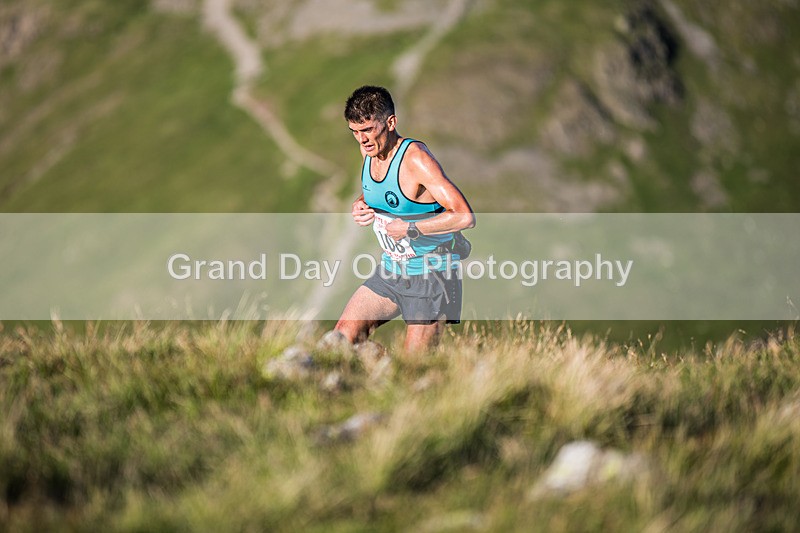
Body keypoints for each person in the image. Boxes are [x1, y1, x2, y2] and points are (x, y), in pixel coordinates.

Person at [333, 85, 475, 352]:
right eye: (354, 131)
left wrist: (411, 229)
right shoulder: (370, 150)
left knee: (414, 367)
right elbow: (379, 193)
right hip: (391, 271)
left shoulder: (416, 160)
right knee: (341, 339)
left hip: (431, 275)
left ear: (390, 123)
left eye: (367, 130)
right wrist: (361, 204)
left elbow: (465, 216)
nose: (361, 140)